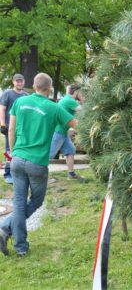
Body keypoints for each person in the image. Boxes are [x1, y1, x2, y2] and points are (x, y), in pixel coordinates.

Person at [0, 73, 77, 257]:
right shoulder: (54, 108)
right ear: (49, 89)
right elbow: (76, 123)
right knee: (36, 201)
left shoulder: (20, 102)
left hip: (17, 158)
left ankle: (15, 241)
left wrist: (12, 152)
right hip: (37, 163)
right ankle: (7, 232)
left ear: (33, 86)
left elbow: (11, 129)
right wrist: (72, 130)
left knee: (18, 202)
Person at [48, 83, 85, 181]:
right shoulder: (69, 100)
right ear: (76, 92)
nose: (82, 95)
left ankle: (71, 174)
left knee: (70, 151)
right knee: (48, 155)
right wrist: (84, 101)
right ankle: (40, 177)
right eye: (81, 93)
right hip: (58, 132)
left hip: (62, 132)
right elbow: (83, 111)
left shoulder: (68, 99)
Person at [0, 73, 28, 184]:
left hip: (22, 128)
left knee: (20, 150)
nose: (20, 83)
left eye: (21, 81)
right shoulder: (7, 93)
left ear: (24, 82)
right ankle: (8, 174)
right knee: (9, 150)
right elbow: (2, 109)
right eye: (17, 81)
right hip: (9, 127)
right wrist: (2, 124)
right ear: (13, 82)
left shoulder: (26, 95)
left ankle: (19, 173)